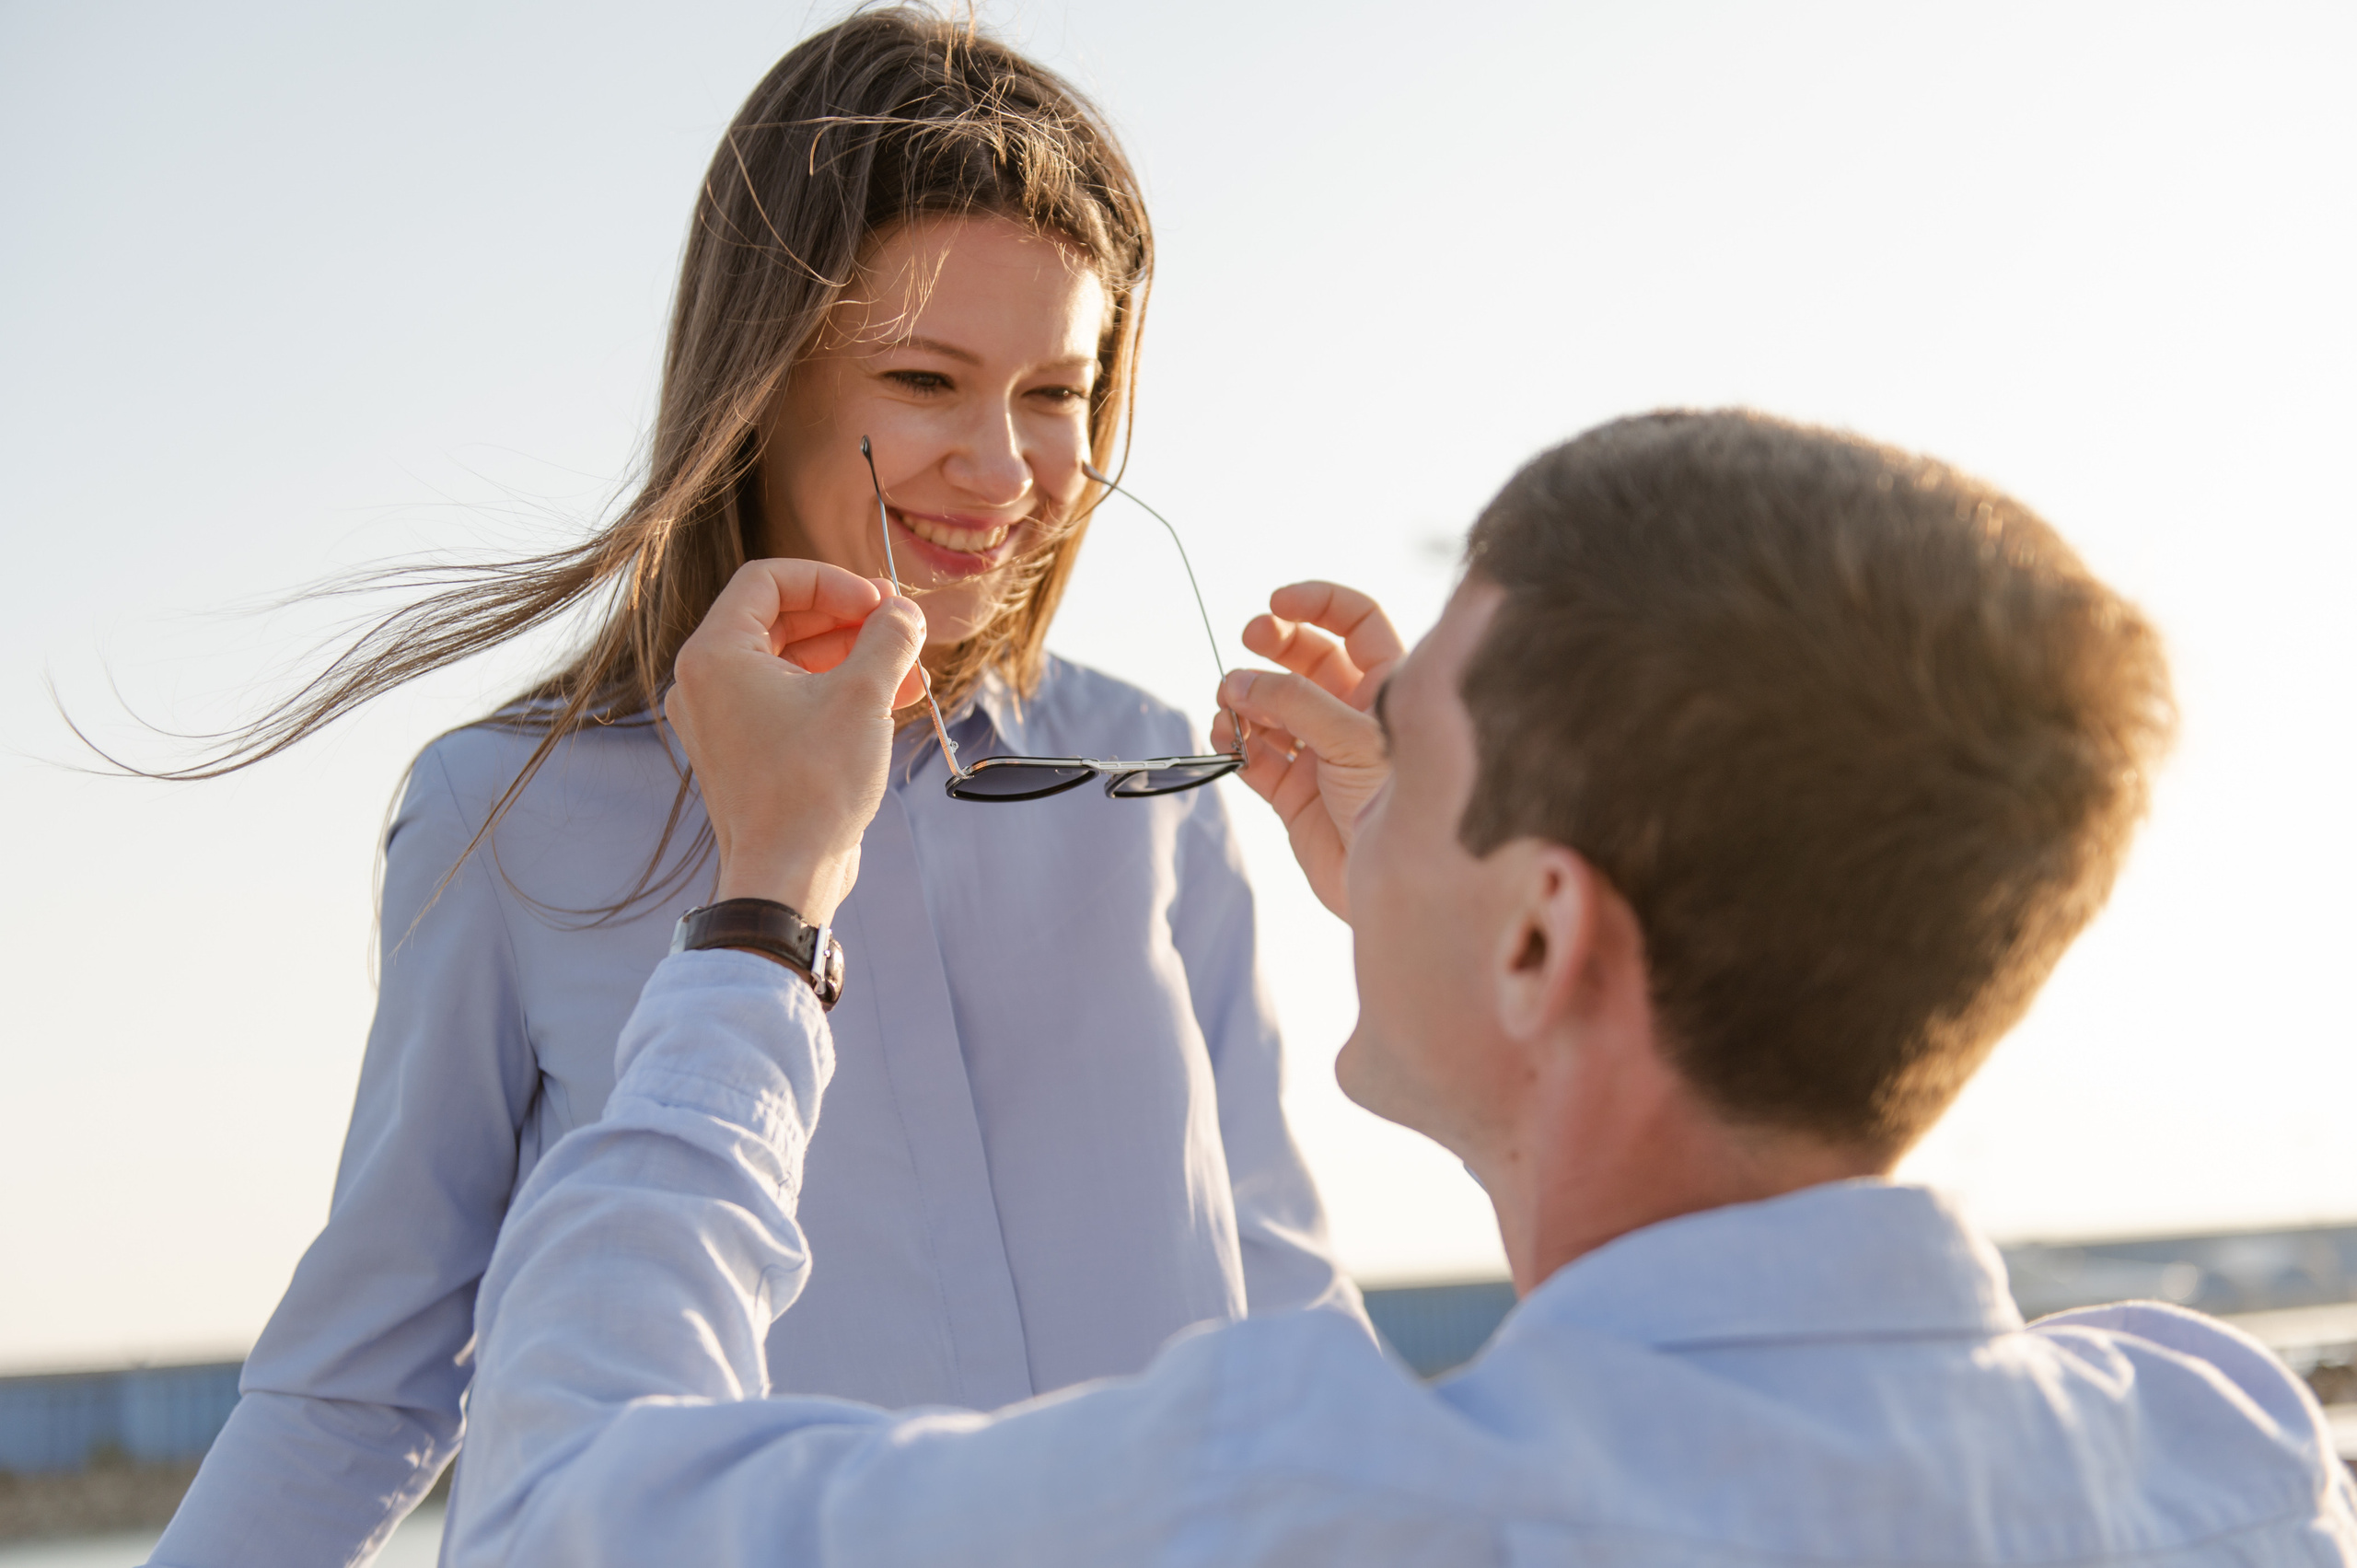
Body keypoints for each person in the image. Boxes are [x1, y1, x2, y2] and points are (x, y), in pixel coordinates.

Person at [448, 410, 2356, 1565]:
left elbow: (552, 1528)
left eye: (1408, 751)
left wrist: (770, 901)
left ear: (1542, 933)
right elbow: (1707, 1398)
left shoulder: (1289, 1500)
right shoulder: (2222, 1449)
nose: (1350, 761)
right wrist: (1463, 969)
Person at [145, 13, 1353, 1566]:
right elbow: (364, 1384)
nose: (1005, 469)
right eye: (926, 378)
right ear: (760, 376)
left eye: (1059, 392)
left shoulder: (1154, 780)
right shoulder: (503, 815)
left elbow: (1290, 1302)